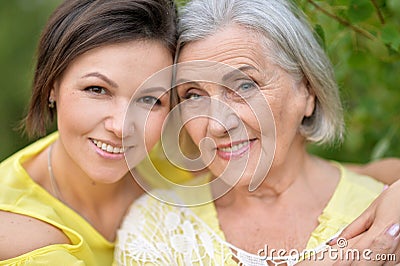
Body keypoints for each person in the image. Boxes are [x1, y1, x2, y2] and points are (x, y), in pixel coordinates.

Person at [114, 0, 400, 265]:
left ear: (308, 91)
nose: (215, 125)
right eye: (193, 95)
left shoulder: (380, 212)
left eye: (245, 86)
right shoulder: (157, 228)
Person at [0, 0, 177, 264]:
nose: (120, 127)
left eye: (150, 100)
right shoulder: (15, 227)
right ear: (52, 85)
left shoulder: (191, 167)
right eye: (97, 90)